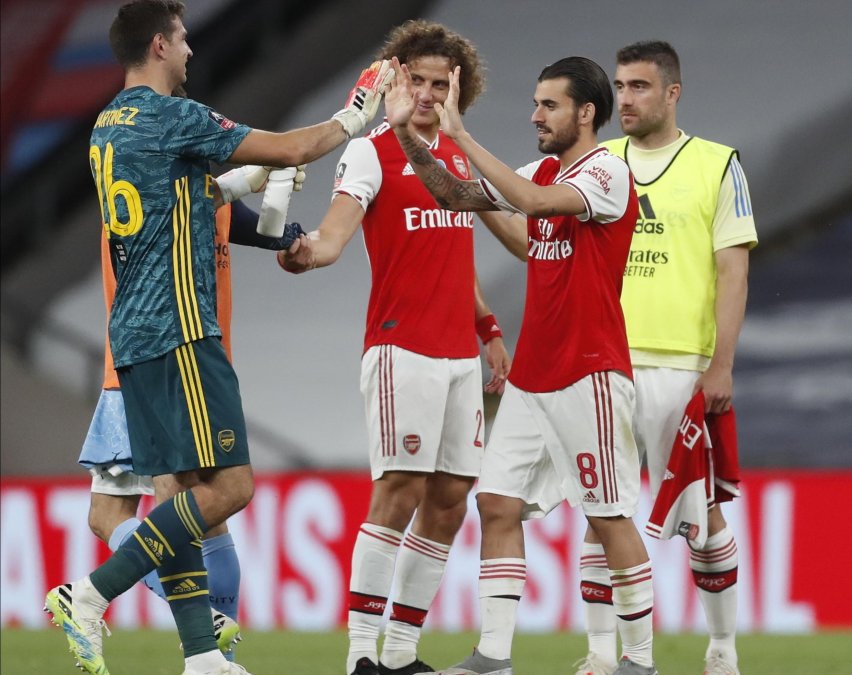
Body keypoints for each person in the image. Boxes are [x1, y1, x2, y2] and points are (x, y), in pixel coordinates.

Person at [44, 2, 390, 674]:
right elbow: (292, 145)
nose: (191, 52)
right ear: (158, 44)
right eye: (181, 39)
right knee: (229, 488)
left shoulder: (104, 128)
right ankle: (90, 594)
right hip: (181, 331)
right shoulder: (173, 117)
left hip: (135, 337)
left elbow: (202, 201)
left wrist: (268, 207)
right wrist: (357, 114)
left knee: (181, 490)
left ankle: (203, 655)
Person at [383, 55, 658, 675]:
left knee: (608, 515)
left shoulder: (608, 171)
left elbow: (531, 202)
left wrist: (461, 136)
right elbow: (459, 196)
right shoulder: (545, 169)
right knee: (498, 504)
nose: (535, 115)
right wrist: (407, 135)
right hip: (535, 373)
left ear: (586, 113)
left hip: (589, 371)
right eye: (535, 102)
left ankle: (639, 661)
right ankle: (494, 656)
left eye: (550, 105)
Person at [276, 20, 509, 675]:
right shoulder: (372, 151)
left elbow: (453, 255)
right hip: (400, 348)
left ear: (460, 88)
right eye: (419, 80)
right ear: (394, 79)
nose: (430, 93)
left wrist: (486, 326)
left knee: (450, 497)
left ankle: (402, 654)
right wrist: (305, 255)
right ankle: (360, 656)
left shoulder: (460, 155)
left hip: (458, 355)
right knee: (399, 491)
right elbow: (332, 236)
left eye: (443, 83)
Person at [560, 40, 756, 675]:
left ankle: (722, 648)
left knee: (705, 517)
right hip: (602, 361)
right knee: (601, 510)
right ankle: (597, 654)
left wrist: (721, 364)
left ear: (673, 93)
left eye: (640, 87)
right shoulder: (597, 161)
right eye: (619, 86)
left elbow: (733, 271)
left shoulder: (717, 164)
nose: (625, 99)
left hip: (680, 364)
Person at [81, 197, 305, 662]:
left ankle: (194, 631)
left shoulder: (176, 179)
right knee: (202, 516)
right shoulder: (188, 184)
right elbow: (247, 207)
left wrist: (292, 234)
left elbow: (248, 220)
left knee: (122, 513)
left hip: (150, 367)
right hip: (192, 365)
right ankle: (216, 656)